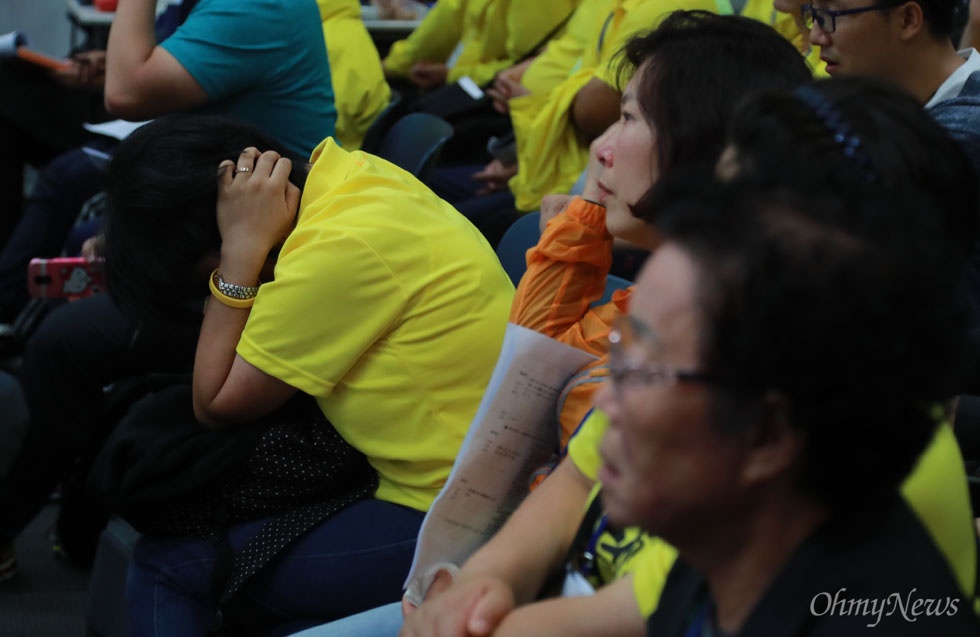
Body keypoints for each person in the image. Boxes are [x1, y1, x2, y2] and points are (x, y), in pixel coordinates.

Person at [399, 76, 980, 635]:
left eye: (734, 210)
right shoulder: (722, 362)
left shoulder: (768, 413)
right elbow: (579, 479)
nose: (609, 396)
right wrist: (486, 582)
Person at [294, 13, 814, 636]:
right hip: (532, 567)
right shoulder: (643, 314)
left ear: (707, 149)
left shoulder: (731, 367)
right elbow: (537, 353)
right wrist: (484, 580)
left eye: (629, 119)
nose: (600, 146)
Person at [89, 113, 514, 633]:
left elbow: (216, 401)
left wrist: (238, 258)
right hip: (460, 479)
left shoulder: (335, 251)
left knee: (169, 565)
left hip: (447, 518)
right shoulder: (350, 177)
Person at [600, 177, 979, 636]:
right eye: (624, 348)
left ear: (768, 434)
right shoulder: (727, 549)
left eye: (647, 370)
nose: (606, 400)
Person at [0, 0, 336, 332]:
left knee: (76, 192)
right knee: (17, 98)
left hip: (255, 208)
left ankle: (17, 319)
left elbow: (125, 94)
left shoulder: (257, 5)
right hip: (210, 181)